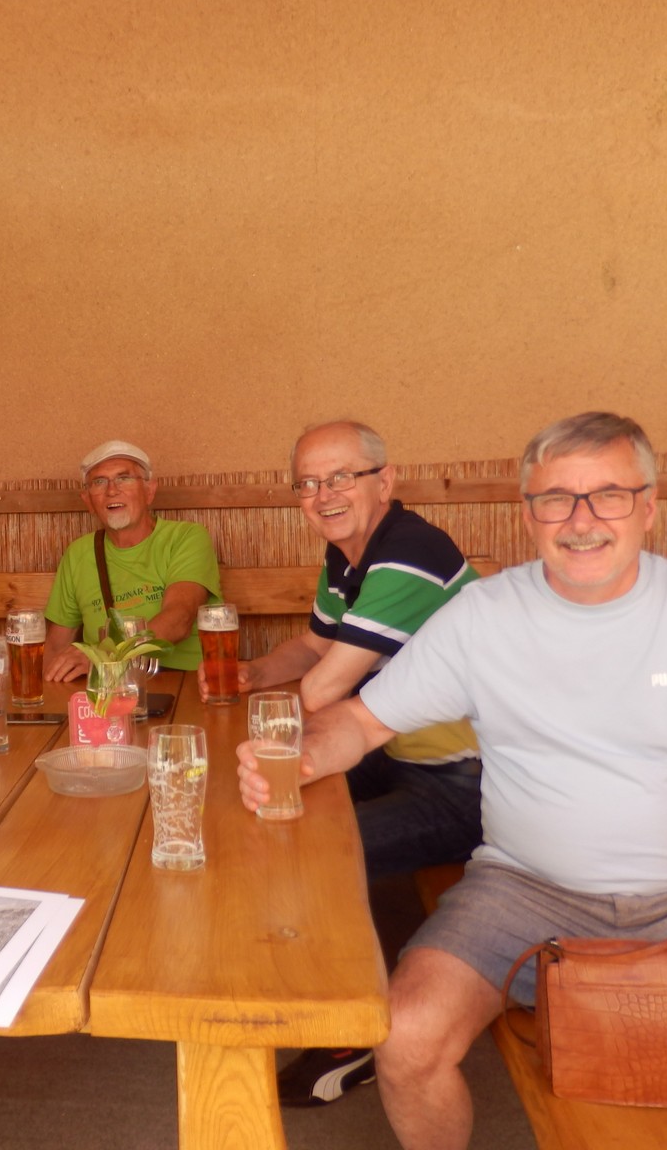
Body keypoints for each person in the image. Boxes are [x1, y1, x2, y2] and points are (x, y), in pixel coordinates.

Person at [238, 411, 667, 1150]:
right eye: (556, 499)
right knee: (407, 1037)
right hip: (520, 891)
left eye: (608, 495)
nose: (581, 521)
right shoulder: (484, 615)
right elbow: (359, 721)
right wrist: (302, 754)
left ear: (648, 506)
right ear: (528, 515)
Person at [220, 420, 484, 1107]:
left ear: (384, 481)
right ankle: (293, 984)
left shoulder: (410, 553)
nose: (323, 494)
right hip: (397, 753)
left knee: (317, 851)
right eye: (308, 483)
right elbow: (311, 648)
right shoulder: (348, 555)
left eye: (341, 477)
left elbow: (324, 687)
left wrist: (263, 717)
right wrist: (253, 673)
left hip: (471, 785)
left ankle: (351, 1035)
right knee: (263, 809)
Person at [43, 439, 223, 681]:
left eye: (124, 478)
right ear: (88, 501)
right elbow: (56, 647)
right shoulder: (78, 554)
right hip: (108, 689)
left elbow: (179, 619)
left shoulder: (186, 537)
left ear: (149, 491)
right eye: (99, 482)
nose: (111, 490)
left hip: (184, 682)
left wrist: (103, 656)